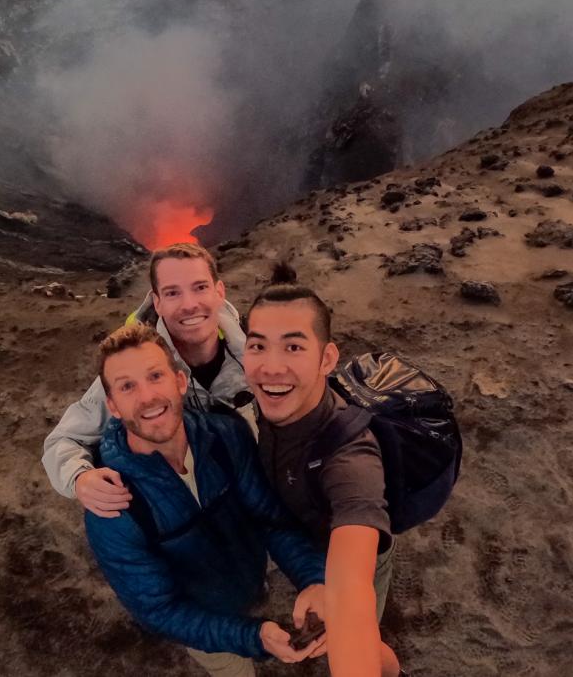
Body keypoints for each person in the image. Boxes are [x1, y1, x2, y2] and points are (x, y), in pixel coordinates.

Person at [85, 322, 328, 676]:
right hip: (200, 621)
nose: (147, 397)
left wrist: (313, 579)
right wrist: (253, 637)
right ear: (113, 406)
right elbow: (160, 610)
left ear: (180, 382)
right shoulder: (112, 507)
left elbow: (270, 519)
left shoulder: (227, 436)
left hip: (249, 576)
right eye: (127, 386)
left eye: (155, 376)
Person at [243, 263, 401, 677]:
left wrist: (343, 604)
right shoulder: (263, 405)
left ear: (327, 357)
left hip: (351, 552)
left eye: (293, 347)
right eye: (257, 346)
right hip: (305, 537)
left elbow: (351, 592)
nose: (271, 367)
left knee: (357, 638)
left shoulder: (350, 457)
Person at [42, 243, 252, 516]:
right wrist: (80, 477)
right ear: (157, 303)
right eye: (172, 293)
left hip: (258, 506)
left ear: (219, 292)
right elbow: (64, 440)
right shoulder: (136, 368)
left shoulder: (255, 355)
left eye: (200, 287)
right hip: (185, 518)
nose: (190, 305)